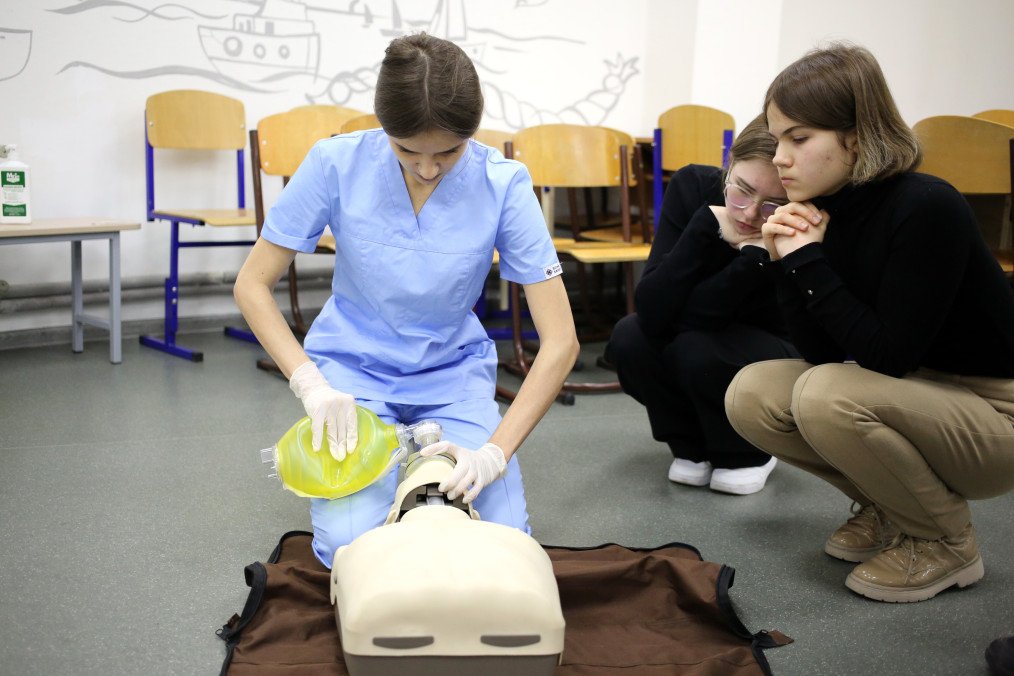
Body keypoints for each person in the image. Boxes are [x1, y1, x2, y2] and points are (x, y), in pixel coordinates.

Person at [234, 33, 579, 568]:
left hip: (451, 376)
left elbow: (560, 342)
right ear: (384, 128)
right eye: (407, 151)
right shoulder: (335, 163)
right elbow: (251, 285)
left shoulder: (503, 183)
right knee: (350, 548)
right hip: (353, 374)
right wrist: (311, 385)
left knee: (504, 542)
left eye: (449, 152)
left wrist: (495, 453)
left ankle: (431, 466)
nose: (427, 169)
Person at [724, 43, 1014, 602]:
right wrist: (786, 263)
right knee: (753, 392)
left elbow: (886, 358)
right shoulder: (827, 208)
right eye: (778, 139)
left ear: (855, 138)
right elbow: (821, 353)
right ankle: (891, 507)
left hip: (994, 413)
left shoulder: (925, 205)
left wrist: (808, 261)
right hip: (917, 395)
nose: (779, 158)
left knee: (826, 394)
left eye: (798, 139)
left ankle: (946, 542)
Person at [604, 115, 798, 495]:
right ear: (729, 164)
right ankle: (689, 443)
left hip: (771, 347)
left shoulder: (794, 222)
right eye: (741, 191)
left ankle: (749, 450)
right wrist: (703, 226)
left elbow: (715, 316)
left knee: (697, 350)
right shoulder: (693, 185)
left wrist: (753, 257)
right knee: (630, 337)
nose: (748, 214)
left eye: (771, 206)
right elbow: (651, 308)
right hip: (694, 333)